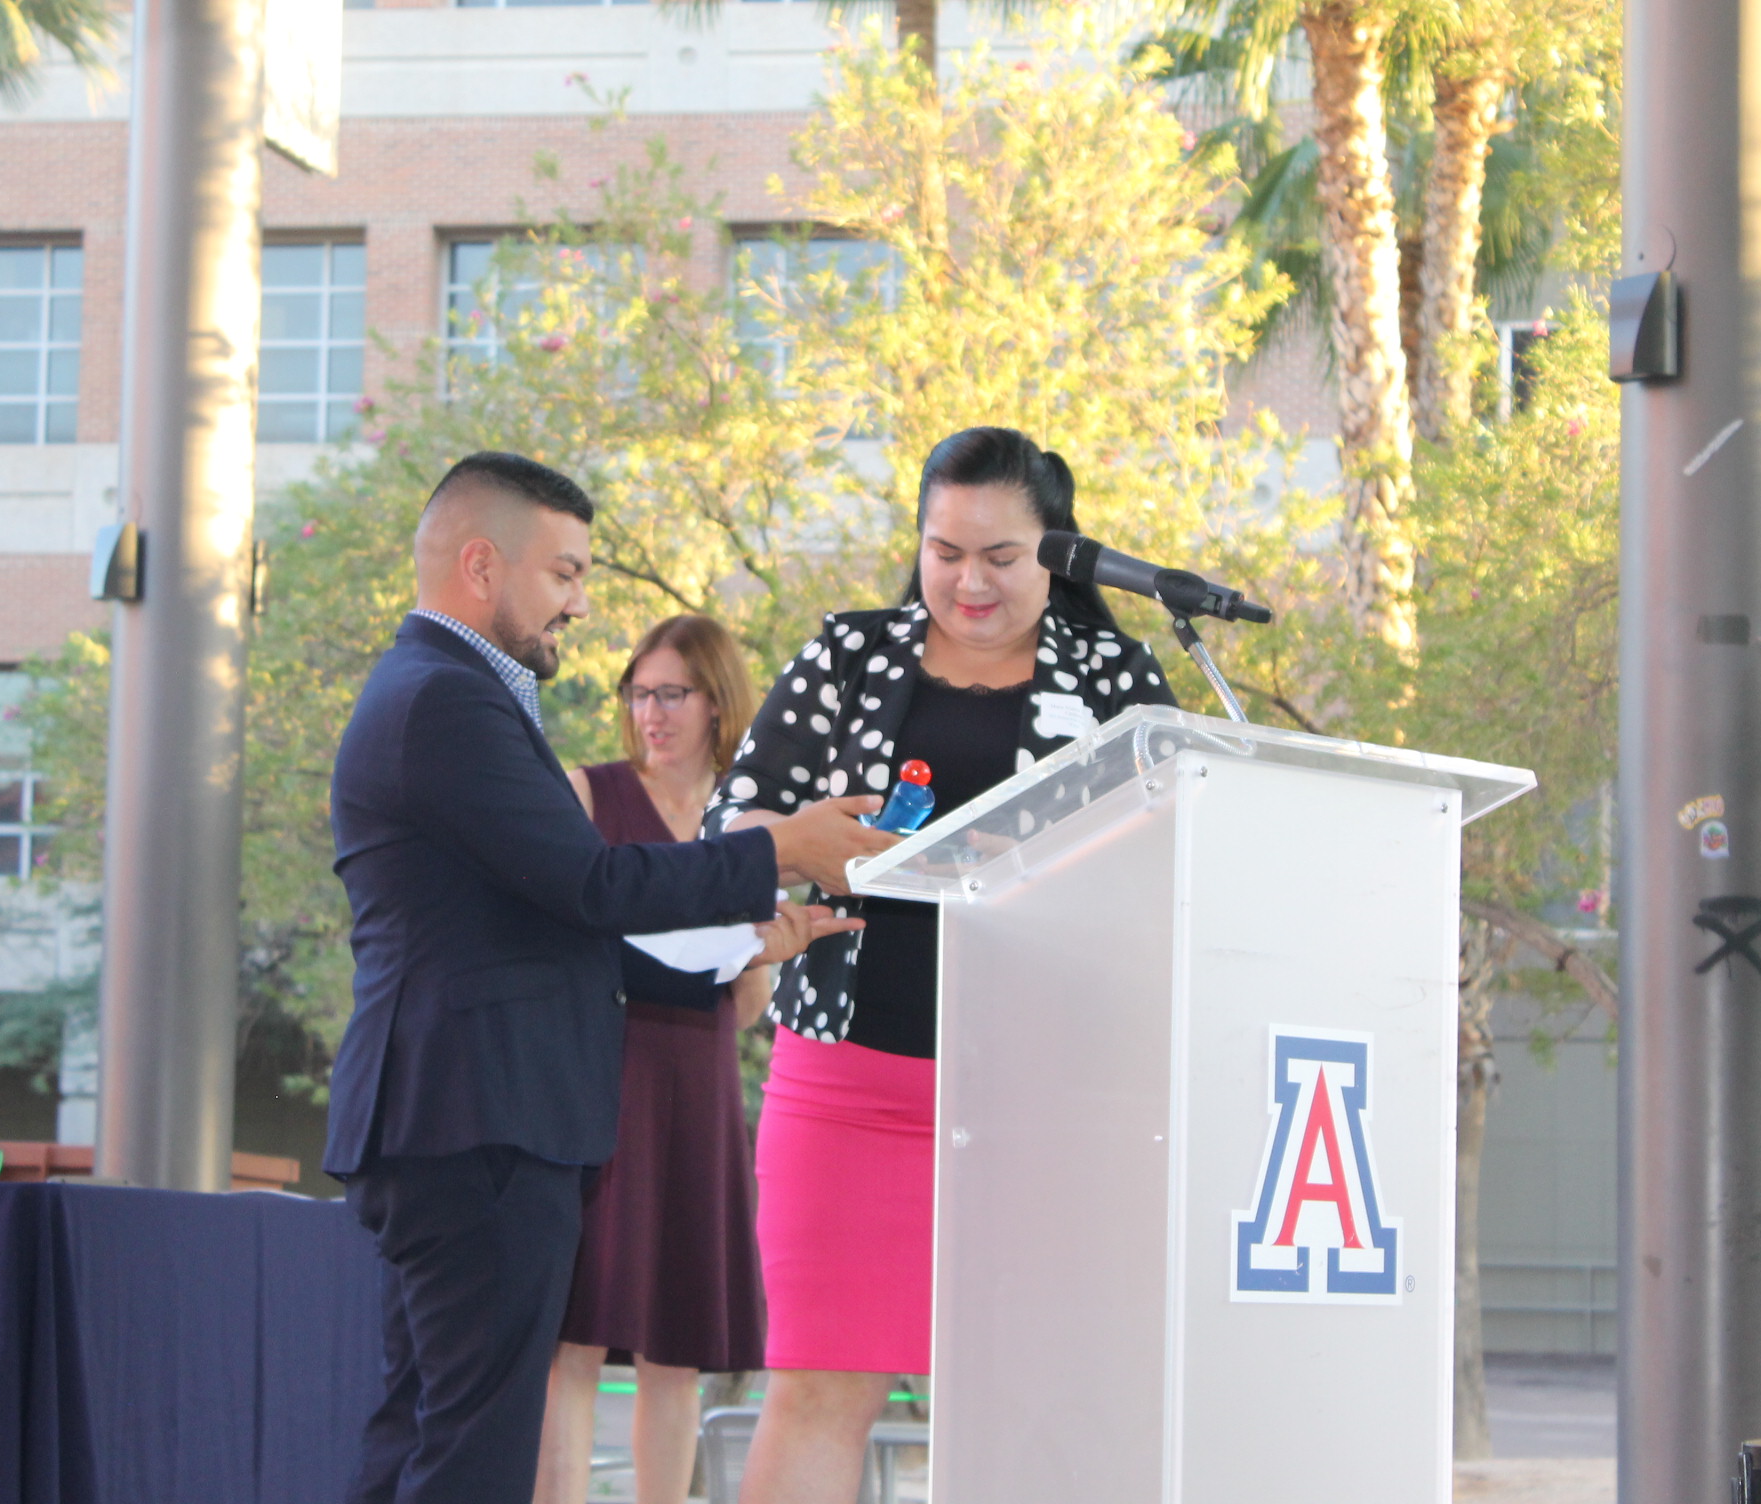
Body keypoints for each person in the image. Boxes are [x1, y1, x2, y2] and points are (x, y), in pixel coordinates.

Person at [323, 451, 900, 1504]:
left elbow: (542, 921)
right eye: (566, 574)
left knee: (426, 1433)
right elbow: (588, 883)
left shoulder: (442, 693)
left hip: (460, 1118)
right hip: (476, 1121)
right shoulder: (445, 701)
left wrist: (752, 939)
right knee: (469, 1450)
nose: (581, 604)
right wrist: (783, 847)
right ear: (483, 564)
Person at [704, 427, 1182, 1502]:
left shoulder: (1117, 678)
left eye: (1001, 557)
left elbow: (1174, 855)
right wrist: (796, 846)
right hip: (848, 1089)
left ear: (1056, 553)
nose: (968, 580)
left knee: (1040, 1399)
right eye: (944, 550)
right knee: (820, 1389)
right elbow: (731, 814)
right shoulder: (848, 654)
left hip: (1048, 1101)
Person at [532, 614, 773, 1504]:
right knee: (578, 1330)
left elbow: (744, 1010)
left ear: (717, 701)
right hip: (605, 1071)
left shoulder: (746, 821)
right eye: (639, 693)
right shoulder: (587, 795)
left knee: (678, 1337)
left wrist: (765, 951)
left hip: (701, 1083)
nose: (651, 713)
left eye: (672, 693)